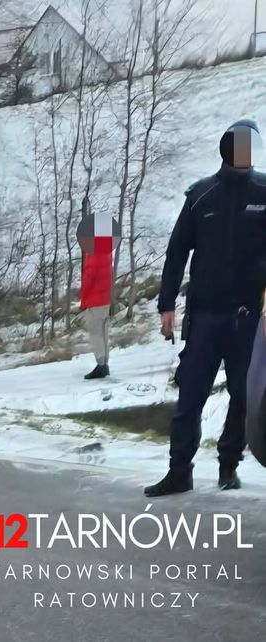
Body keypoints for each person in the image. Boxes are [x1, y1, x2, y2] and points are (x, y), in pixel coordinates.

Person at [146, 119, 266, 497]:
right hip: (205, 318)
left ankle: (228, 464)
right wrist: (167, 303)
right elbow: (177, 250)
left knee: (244, 398)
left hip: (249, 317)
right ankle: (178, 471)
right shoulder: (201, 195)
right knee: (190, 396)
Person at [76, 198, 122, 380]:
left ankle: (101, 365)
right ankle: (104, 364)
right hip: (104, 299)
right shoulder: (106, 252)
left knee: (96, 334)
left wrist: (83, 300)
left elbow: (89, 278)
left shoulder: (94, 253)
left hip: (95, 300)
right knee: (104, 333)